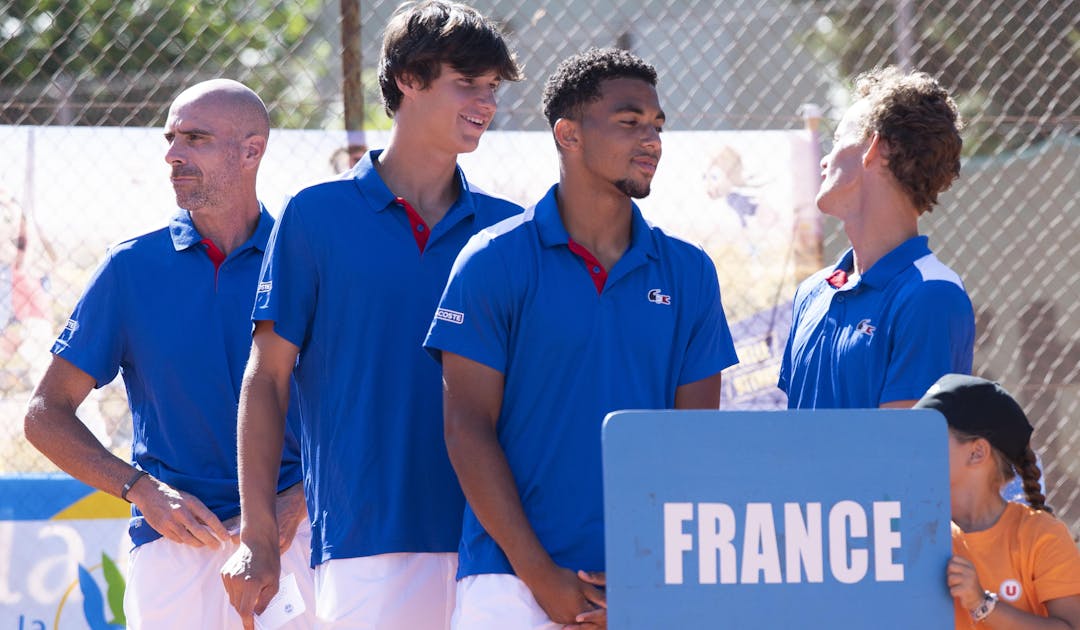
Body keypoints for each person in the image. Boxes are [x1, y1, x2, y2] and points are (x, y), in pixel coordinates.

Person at [219, 2, 523, 628]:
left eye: (493, 87)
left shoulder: (507, 231)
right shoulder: (315, 216)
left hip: (498, 544)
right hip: (365, 540)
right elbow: (267, 377)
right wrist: (258, 535)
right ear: (408, 79)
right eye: (468, 82)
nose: (486, 102)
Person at [423, 47, 740, 629]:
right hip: (508, 581)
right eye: (629, 122)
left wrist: (652, 579)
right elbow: (466, 428)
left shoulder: (690, 272)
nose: (652, 140)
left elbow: (693, 444)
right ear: (568, 133)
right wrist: (541, 577)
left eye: (657, 125)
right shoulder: (493, 260)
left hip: (644, 584)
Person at [23, 79, 315, 629]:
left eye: (196, 138)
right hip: (173, 546)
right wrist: (143, 490)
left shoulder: (308, 263)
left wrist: (299, 501)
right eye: (171, 138)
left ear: (252, 150)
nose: (172, 155)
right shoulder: (130, 269)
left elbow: (372, 409)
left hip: (298, 536)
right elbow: (44, 415)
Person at [778, 66, 975, 409]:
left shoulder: (931, 295)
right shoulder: (812, 291)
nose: (825, 159)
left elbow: (902, 453)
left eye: (838, 140)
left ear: (876, 148)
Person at [912, 374, 1080, 628]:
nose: (915, 447)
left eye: (931, 435)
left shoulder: (1041, 534)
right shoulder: (913, 532)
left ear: (977, 452)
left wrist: (982, 604)